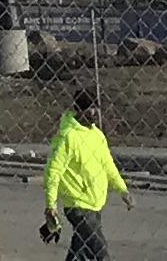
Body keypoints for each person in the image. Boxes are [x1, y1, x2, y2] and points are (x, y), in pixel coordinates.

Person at [43, 85, 130, 261]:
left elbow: (108, 165)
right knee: (100, 251)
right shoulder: (67, 136)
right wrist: (51, 205)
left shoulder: (97, 135)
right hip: (77, 206)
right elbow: (53, 171)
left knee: (80, 252)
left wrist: (123, 190)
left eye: (96, 108)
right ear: (78, 110)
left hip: (95, 205)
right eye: (89, 108)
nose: (94, 113)